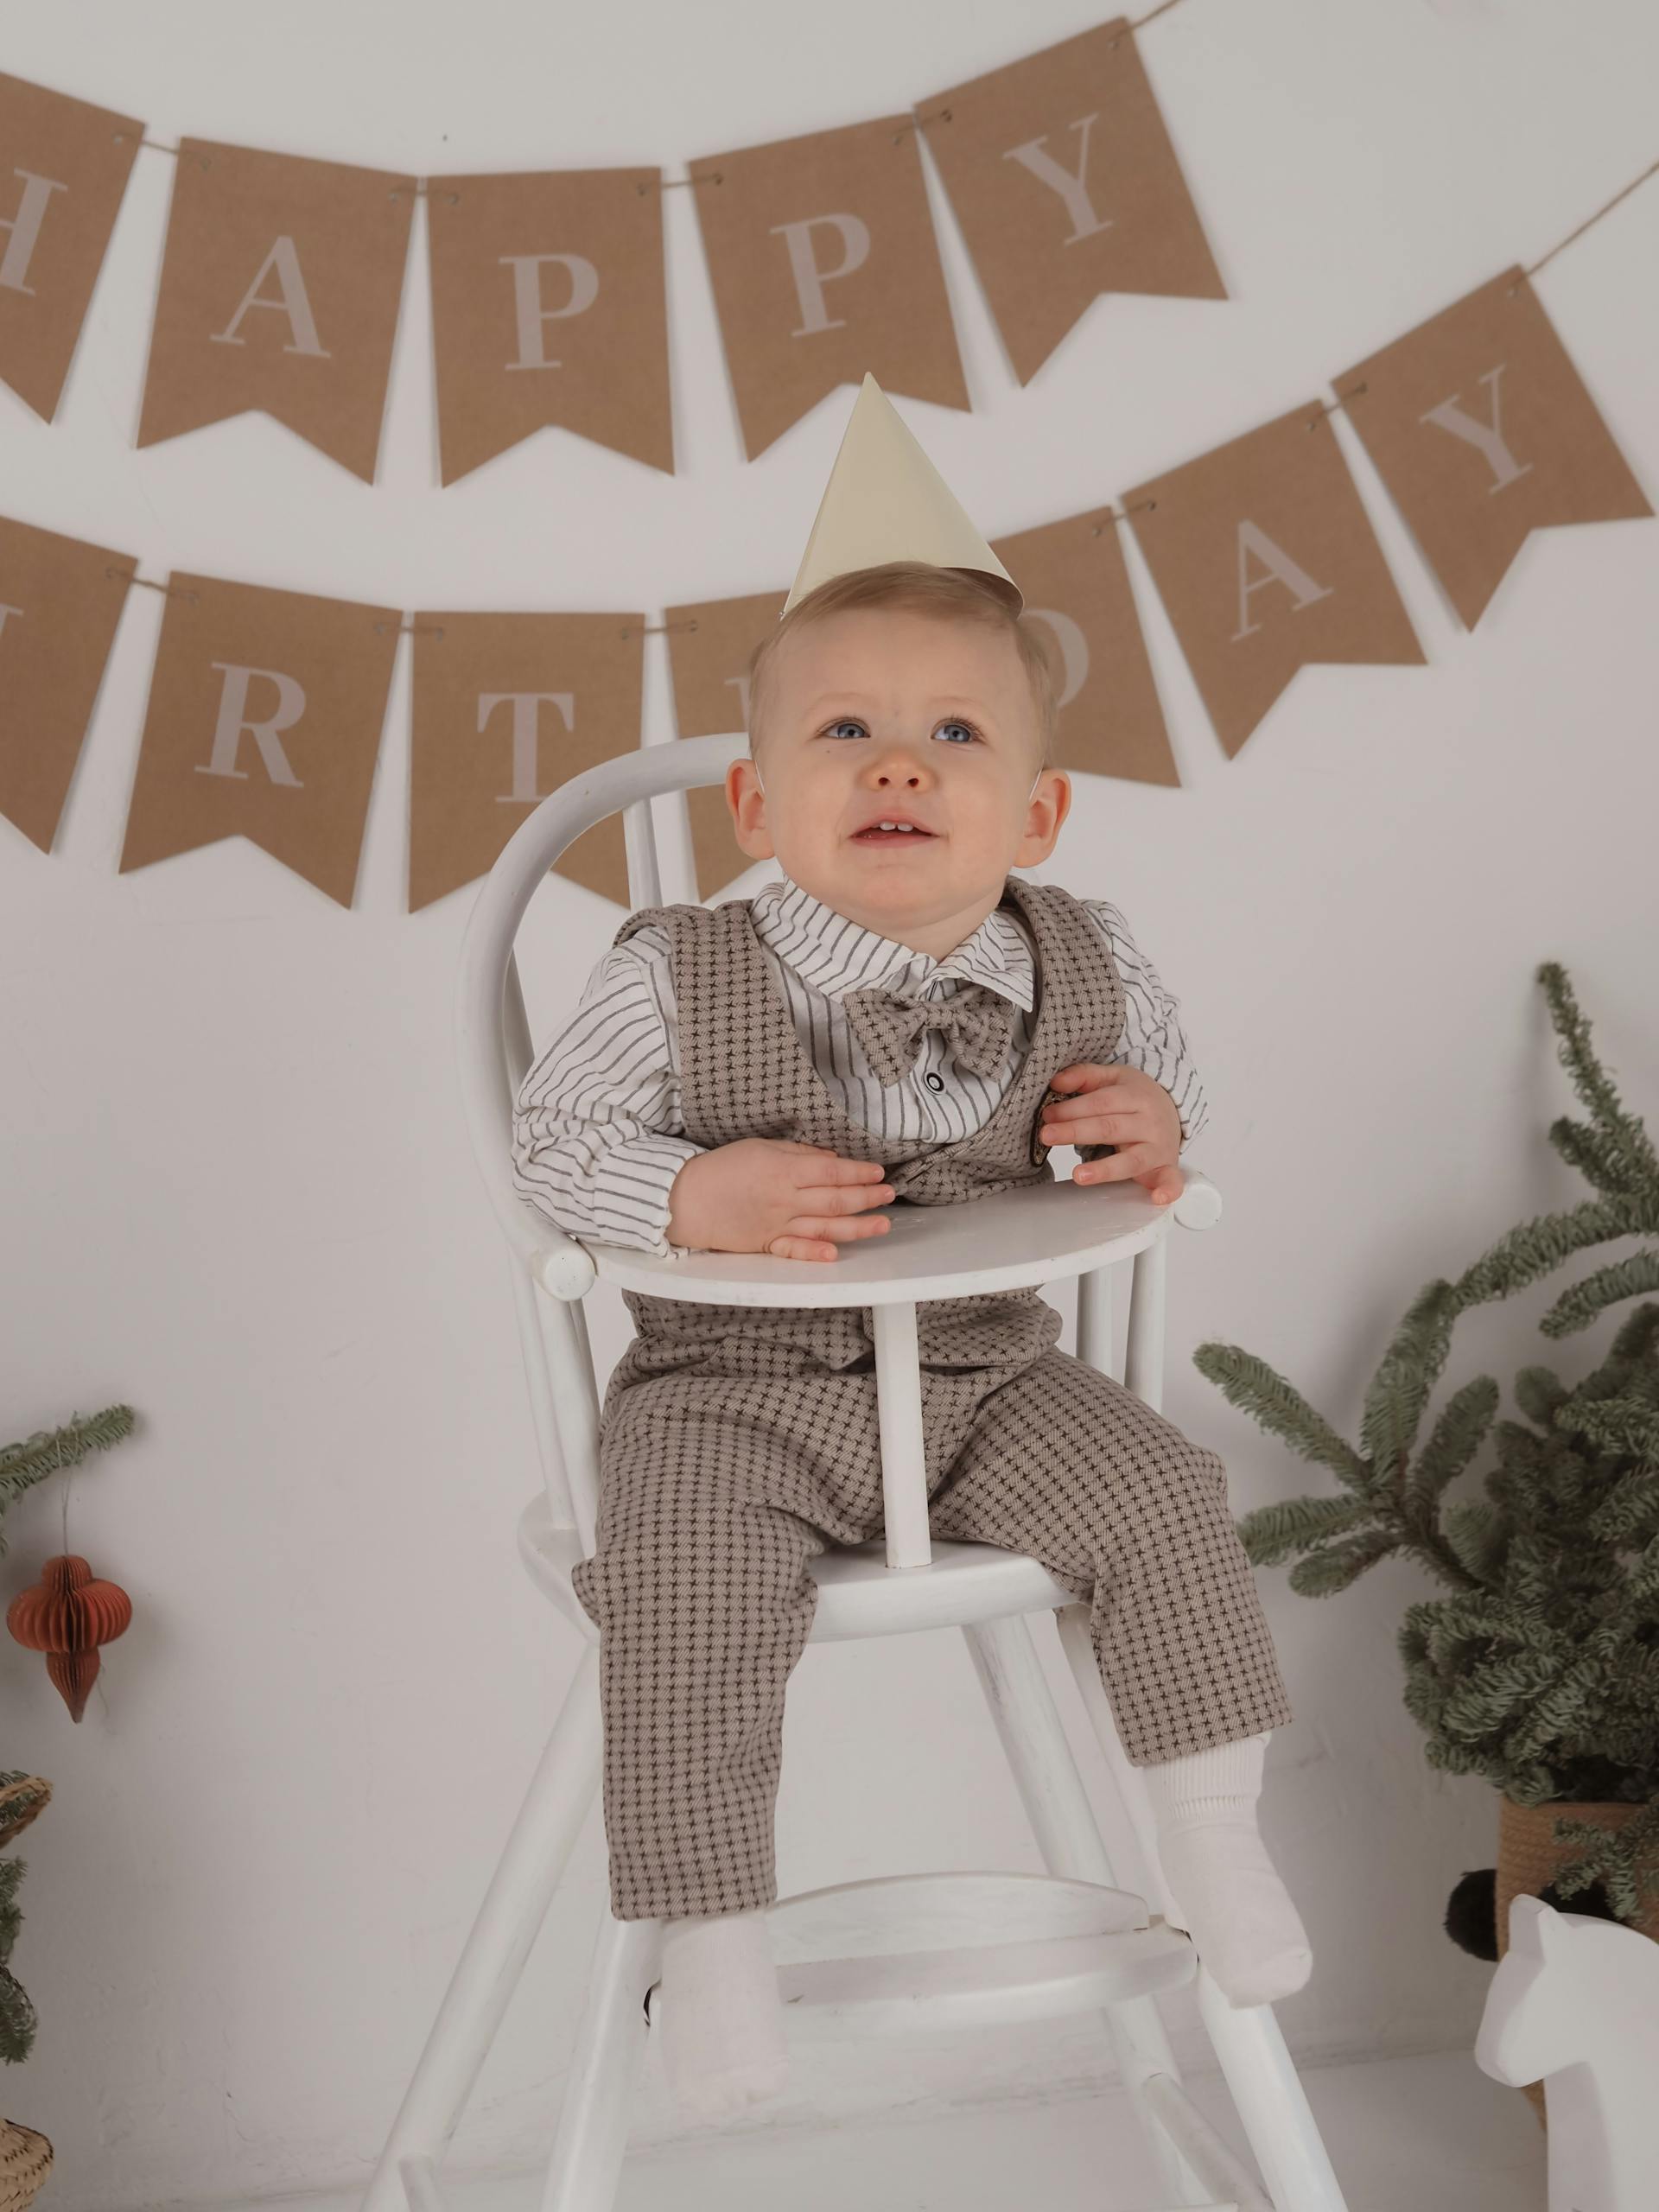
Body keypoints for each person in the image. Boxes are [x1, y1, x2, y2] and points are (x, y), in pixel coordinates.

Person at [511, 380, 1312, 2126]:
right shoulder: (676, 971)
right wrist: (688, 1192)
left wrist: (1157, 1130)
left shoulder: (1082, 956)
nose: (897, 761)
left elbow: (1167, 1090)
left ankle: (1212, 1838)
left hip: (986, 1372)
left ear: (1035, 811)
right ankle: (713, 1941)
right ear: (752, 797)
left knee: (1168, 1492)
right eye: (847, 731)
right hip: (732, 1398)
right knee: (691, 1598)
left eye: (956, 734)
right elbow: (551, 1138)